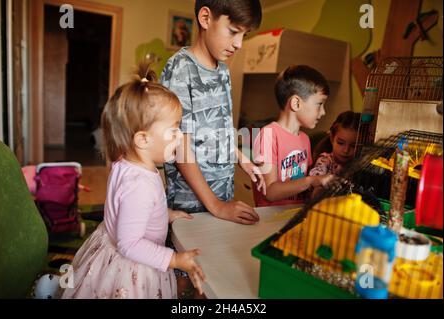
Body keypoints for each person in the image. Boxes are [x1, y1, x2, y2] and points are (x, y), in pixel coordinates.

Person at [61, 62, 205, 299]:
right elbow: (130, 244)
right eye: (174, 130)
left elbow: (131, 210)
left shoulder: (127, 163)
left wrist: (166, 214)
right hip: (131, 267)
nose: (180, 137)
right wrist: (174, 259)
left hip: (109, 243)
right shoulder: (139, 184)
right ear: (143, 140)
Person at [160, 0, 265, 225]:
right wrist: (215, 206)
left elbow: (220, 129)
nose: (238, 44)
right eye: (233, 32)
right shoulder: (180, 68)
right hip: (191, 204)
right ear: (206, 18)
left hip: (221, 196)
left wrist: (241, 158)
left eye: (244, 35)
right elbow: (179, 146)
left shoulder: (223, 71)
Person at [252, 65, 334, 207]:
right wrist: (311, 181)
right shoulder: (268, 135)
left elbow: (304, 187)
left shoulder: (304, 138)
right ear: (296, 103)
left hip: (295, 214)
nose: (323, 112)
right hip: (269, 219)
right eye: (319, 104)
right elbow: (270, 192)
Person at [309, 111, 361, 176]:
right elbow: (315, 179)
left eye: (353, 146)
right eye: (340, 143)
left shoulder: (358, 163)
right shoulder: (325, 160)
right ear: (332, 138)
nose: (346, 150)